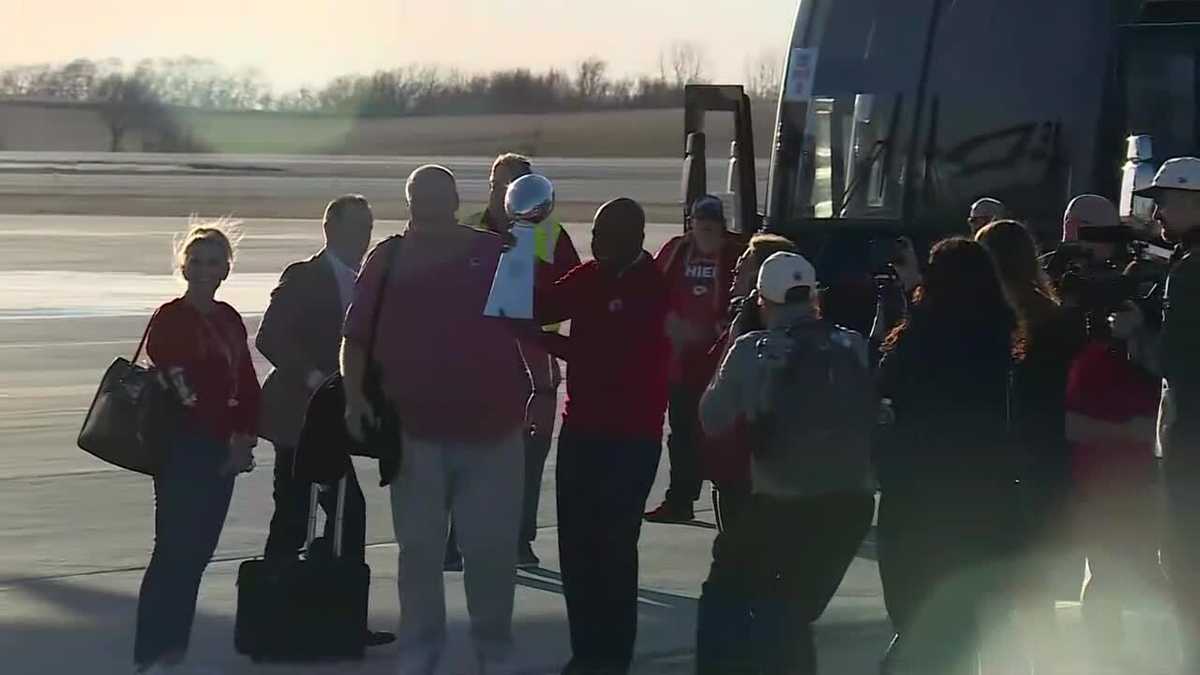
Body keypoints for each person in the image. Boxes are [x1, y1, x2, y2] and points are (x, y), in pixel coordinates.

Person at [342, 165, 530, 675]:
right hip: (414, 430)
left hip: (493, 428)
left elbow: (526, 319)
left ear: (453, 198)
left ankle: (495, 647)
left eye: (438, 193)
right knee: (420, 550)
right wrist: (355, 397)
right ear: (409, 202)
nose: (429, 202)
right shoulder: (389, 256)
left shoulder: (493, 251)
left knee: (490, 550)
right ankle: (421, 647)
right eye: (419, 194)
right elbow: (355, 336)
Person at [694, 252, 876, 675]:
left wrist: (736, 350)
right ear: (814, 296)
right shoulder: (852, 343)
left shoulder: (753, 349)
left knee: (727, 592)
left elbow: (711, 418)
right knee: (791, 613)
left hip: (785, 503)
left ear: (763, 299)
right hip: (852, 505)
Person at [534, 197, 670, 674]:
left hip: (631, 438)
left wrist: (545, 340)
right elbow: (542, 305)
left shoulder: (653, 287)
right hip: (582, 431)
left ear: (633, 238)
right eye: (593, 233)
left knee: (613, 548)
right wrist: (519, 256)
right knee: (577, 547)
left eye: (604, 234)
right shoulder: (591, 274)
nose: (594, 242)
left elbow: (610, 356)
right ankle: (586, 651)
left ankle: (613, 656)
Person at [876, 238, 1023, 675]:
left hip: (917, 488)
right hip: (980, 488)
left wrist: (911, 293)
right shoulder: (998, 334)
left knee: (913, 606)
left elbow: (889, 381)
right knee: (960, 617)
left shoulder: (923, 335)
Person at [256, 194, 394, 646]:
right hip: (299, 414)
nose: (364, 237)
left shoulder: (365, 282)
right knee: (299, 513)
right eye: (356, 227)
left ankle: (343, 615)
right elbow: (270, 337)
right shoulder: (304, 277)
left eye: (368, 227)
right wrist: (315, 377)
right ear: (330, 229)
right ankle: (272, 610)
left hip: (334, 418)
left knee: (341, 513)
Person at [134, 222, 260, 673]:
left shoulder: (228, 318)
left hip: (223, 449)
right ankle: (153, 654)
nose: (205, 270)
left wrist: (244, 436)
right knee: (173, 552)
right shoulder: (170, 318)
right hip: (184, 449)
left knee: (198, 554)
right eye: (197, 261)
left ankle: (172, 652)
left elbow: (246, 383)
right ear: (183, 266)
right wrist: (227, 438)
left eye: (214, 262)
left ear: (227, 269)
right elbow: (185, 392)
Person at [447, 152, 581, 571]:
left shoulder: (549, 234)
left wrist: (531, 278)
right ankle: (456, 542)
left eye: (510, 186)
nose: (500, 194)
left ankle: (519, 540)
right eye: (496, 185)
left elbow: (573, 293)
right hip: (474, 364)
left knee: (527, 456)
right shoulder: (467, 230)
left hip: (533, 363)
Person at [975, 219, 1084, 657]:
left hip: (1005, 464)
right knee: (1038, 595)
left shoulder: (994, 320)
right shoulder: (1054, 315)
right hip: (1050, 461)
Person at [1066, 295, 1166, 668]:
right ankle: (1106, 656)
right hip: (1104, 489)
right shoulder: (1094, 360)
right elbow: (1072, 425)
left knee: (1147, 571)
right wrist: (1128, 433)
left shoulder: (1161, 366)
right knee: (1109, 573)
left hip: (1150, 486)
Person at [1135, 157, 1200, 669]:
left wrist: (1135, 330)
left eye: (1167, 202)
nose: (1157, 214)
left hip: (1191, 448)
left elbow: (1174, 360)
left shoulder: (1189, 269)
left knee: (1184, 567)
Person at [645, 194, 744, 524]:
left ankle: (731, 498)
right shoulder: (676, 251)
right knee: (683, 432)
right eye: (701, 225)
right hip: (683, 365)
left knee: (722, 434)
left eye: (712, 226)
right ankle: (681, 499)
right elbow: (652, 288)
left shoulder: (735, 254)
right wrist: (666, 323)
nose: (706, 231)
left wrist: (721, 328)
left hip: (722, 364)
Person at [700, 233, 797, 533]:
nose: (734, 271)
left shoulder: (754, 341)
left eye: (743, 266)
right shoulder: (743, 325)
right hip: (735, 467)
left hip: (747, 471)